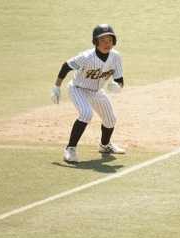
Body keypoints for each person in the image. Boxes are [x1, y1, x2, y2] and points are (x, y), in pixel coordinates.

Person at [51, 24, 126, 163]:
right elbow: (66, 66)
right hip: (78, 88)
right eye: (102, 40)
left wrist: (118, 86)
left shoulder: (115, 57)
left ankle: (105, 145)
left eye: (110, 40)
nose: (107, 43)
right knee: (86, 113)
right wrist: (56, 88)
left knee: (111, 119)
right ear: (96, 42)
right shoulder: (86, 57)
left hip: (97, 91)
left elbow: (119, 79)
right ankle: (70, 149)